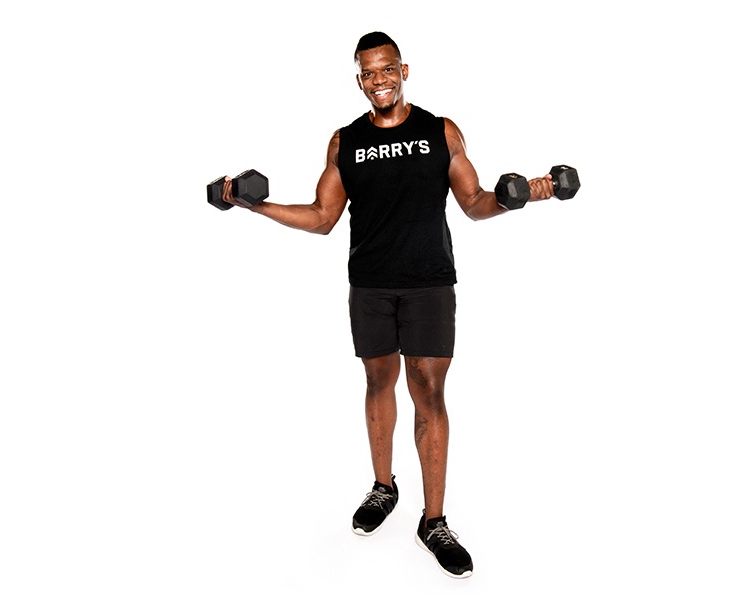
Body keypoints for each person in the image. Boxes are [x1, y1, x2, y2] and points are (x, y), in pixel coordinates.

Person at [220, 31, 556, 579]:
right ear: (360, 79)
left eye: (387, 70)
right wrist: (251, 206)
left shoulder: (439, 131)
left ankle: (434, 521)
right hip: (370, 286)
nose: (379, 81)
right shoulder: (345, 142)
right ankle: (383, 488)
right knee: (379, 384)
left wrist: (526, 196)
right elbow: (322, 217)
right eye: (368, 73)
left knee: (429, 394)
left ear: (404, 71)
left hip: (428, 284)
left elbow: (475, 202)